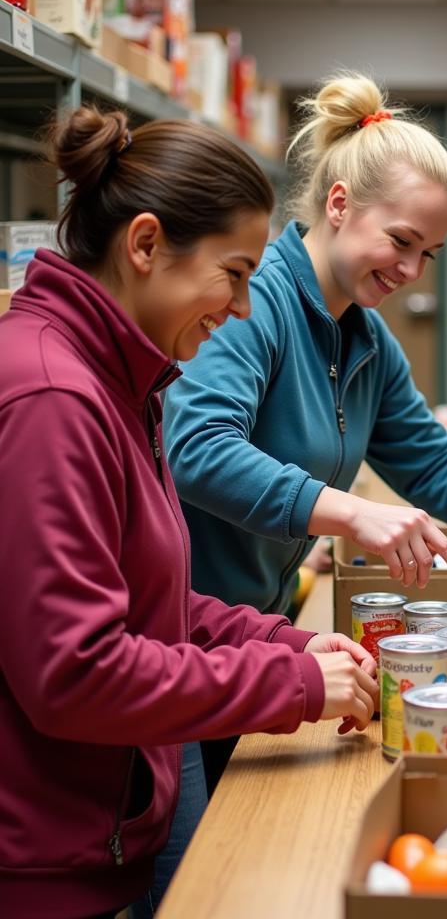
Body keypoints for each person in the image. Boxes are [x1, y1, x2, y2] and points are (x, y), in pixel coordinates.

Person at [162, 73, 447, 789]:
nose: (410, 269)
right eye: (400, 241)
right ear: (339, 204)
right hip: (185, 635)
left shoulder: (362, 336)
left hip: (261, 629)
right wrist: (354, 513)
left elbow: (426, 459)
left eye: (428, 253)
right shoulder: (254, 304)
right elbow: (197, 450)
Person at [0, 106, 378, 919]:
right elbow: (77, 673)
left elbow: (151, 603)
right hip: (41, 870)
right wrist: (293, 682)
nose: (243, 308)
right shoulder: (53, 399)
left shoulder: (122, 382)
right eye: (235, 273)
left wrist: (286, 639)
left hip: (92, 833)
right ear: (143, 246)